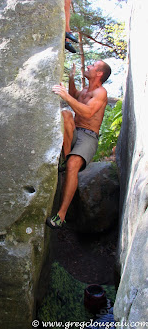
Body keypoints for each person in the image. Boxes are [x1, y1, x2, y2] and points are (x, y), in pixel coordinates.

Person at [46, 60, 112, 229]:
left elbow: (88, 112)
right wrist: (71, 78)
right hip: (75, 131)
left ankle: (61, 215)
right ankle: (65, 158)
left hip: (89, 136)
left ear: (99, 74)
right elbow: (74, 94)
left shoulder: (101, 93)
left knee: (74, 164)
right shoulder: (84, 90)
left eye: (93, 66)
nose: (88, 66)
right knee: (67, 114)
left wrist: (65, 96)